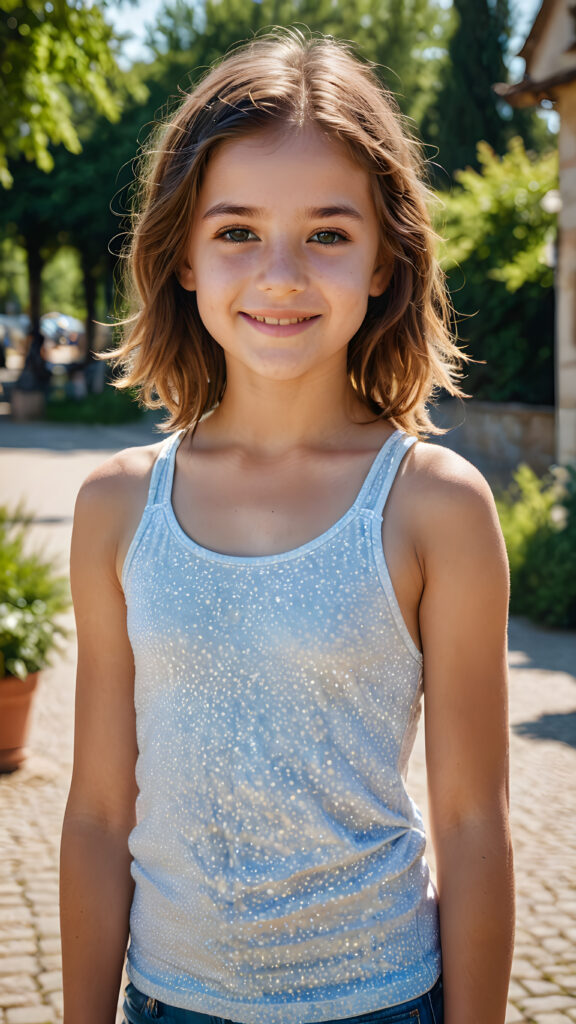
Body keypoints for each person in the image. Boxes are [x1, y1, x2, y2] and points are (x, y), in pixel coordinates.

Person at [60, 29, 514, 1024]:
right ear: (181, 254)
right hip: (167, 1002)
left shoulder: (435, 504)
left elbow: (474, 823)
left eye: (326, 233)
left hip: (384, 1001)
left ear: (387, 260)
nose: (280, 273)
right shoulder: (114, 507)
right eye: (235, 232)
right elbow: (97, 813)